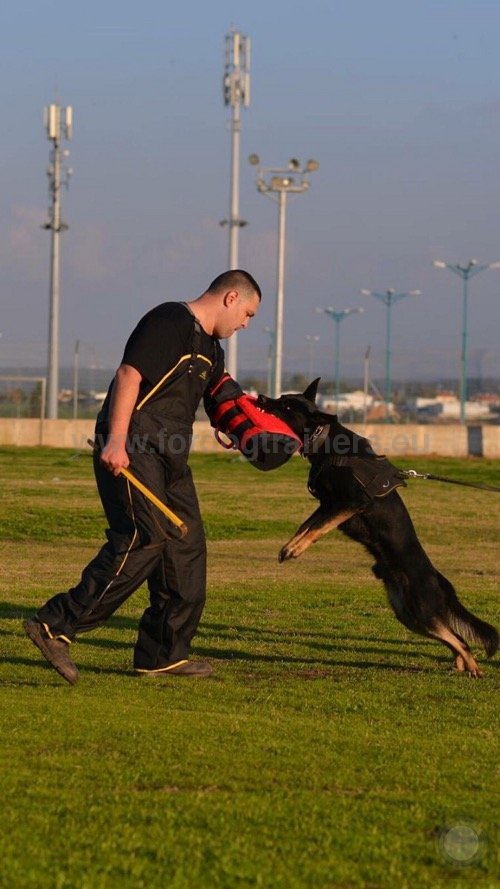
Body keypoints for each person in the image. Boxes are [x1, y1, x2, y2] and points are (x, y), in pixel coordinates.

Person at [24, 270, 261, 684]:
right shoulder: (169, 320)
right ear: (231, 297)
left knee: (186, 548)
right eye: (248, 313)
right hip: (133, 444)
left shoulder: (212, 350)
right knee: (142, 537)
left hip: (171, 456)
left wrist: (261, 421)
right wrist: (116, 440)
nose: (246, 323)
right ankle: (55, 624)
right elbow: (128, 376)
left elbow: (222, 400)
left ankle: (162, 654)